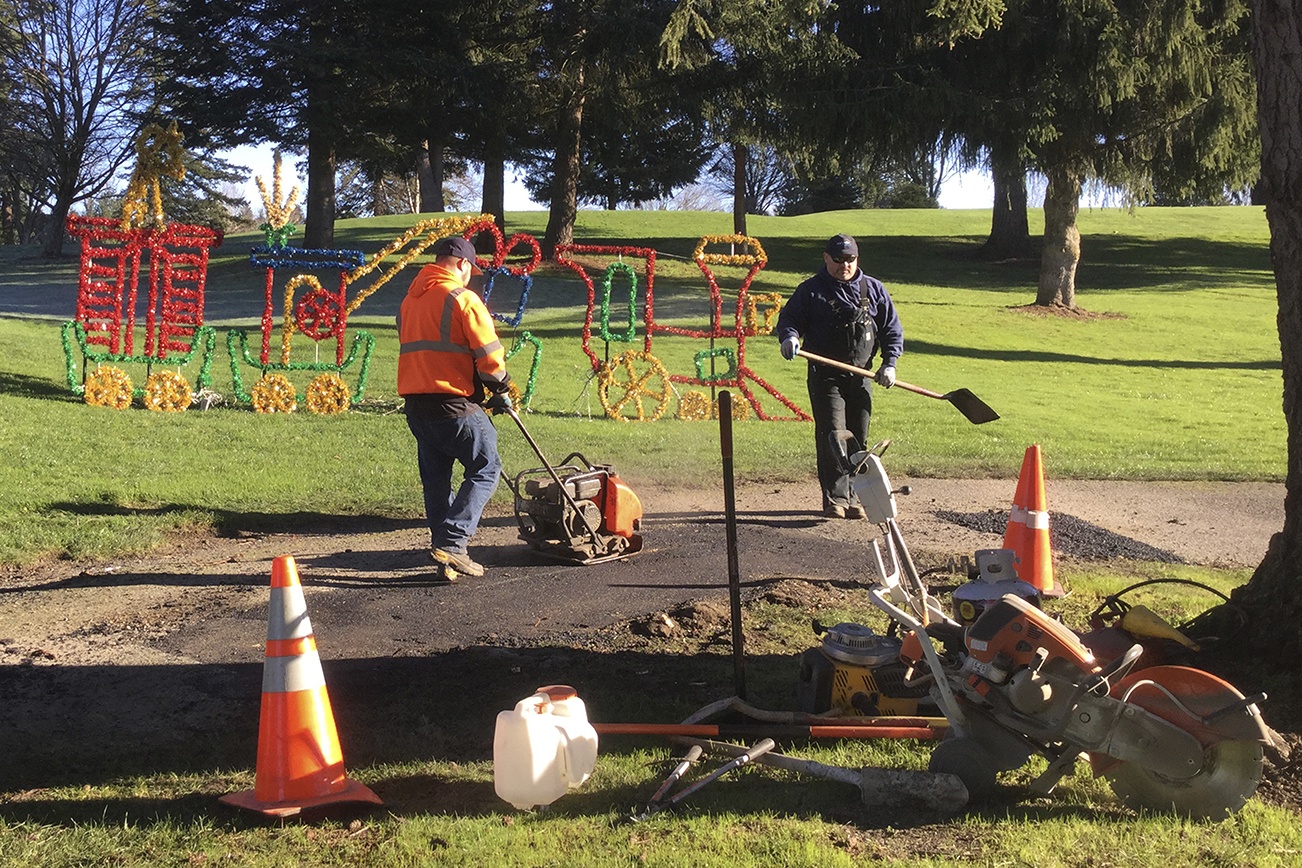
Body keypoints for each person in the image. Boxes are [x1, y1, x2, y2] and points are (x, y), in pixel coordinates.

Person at [398, 235, 513, 577]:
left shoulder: (409, 301)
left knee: (436, 480)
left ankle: (443, 550)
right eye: (470, 270)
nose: (470, 276)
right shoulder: (463, 299)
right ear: (462, 264)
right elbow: (489, 356)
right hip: (454, 405)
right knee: (486, 466)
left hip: (417, 406)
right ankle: (453, 542)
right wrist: (500, 387)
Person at [776, 233, 903, 519]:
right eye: (838, 259)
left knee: (858, 437)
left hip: (862, 376)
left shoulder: (874, 289)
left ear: (857, 259)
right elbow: (789, 320)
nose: (844, 265)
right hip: (825, 376)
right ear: (826, 258)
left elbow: (892, 329)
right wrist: (789, 337)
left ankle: (857, 496)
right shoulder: (810, 291)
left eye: (850, 259)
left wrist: (890, 364)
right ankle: (835, 498)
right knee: (833, 434)